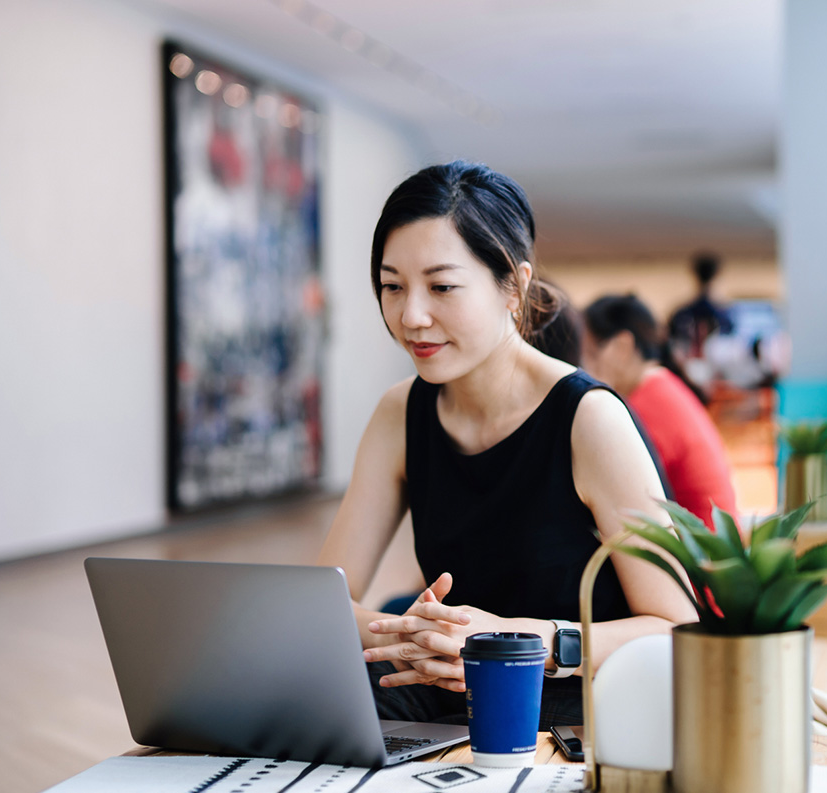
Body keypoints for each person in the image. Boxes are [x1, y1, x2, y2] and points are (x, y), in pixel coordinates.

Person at [315, 162, 695, 729]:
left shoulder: (588, 419)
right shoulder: (401, 412)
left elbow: (675, 630)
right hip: (449, 690)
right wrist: (427, 638)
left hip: (577, 700)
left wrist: (511, 642)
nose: (411, 316)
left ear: (513, 287)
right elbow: (322, 603)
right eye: (392, 286)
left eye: (442, 287)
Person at [582, 294, 738, 530]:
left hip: (699, 559)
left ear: (623, 346)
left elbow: (624, 495)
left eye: (591, 354)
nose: (585, 368)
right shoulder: (662, 388)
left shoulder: (645, 406)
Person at [666, 252, 734, 400]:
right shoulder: (724, 315)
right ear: (717, 275)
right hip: (711, 378)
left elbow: (672, 347)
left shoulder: (681, 313)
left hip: (688, 376)